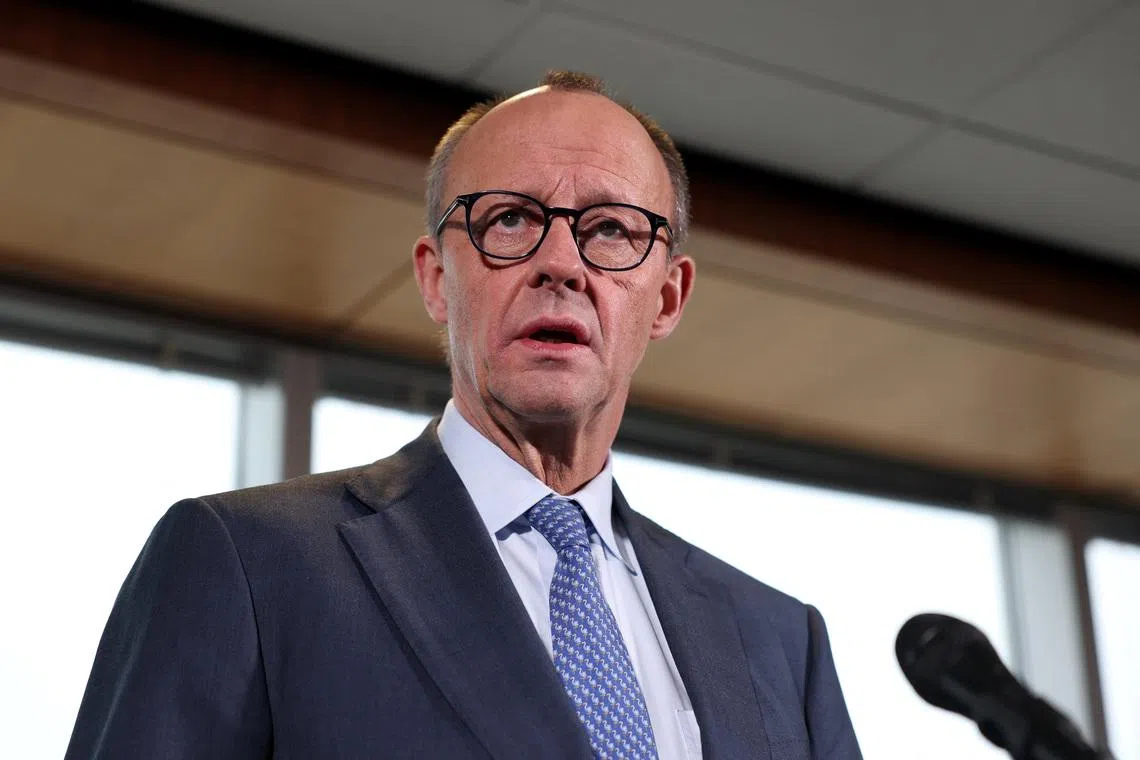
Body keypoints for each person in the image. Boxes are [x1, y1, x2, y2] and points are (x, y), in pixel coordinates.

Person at [66, 71, 862, 759]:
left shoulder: (782, 644)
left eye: (611, 229)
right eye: (510, 219)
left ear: (669, 296)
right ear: (437, 278)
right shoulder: (247, 564)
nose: (560, 264)